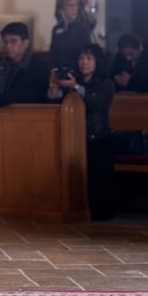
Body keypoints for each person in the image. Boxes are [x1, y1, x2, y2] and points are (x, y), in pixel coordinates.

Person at [49, 43, 115, 219]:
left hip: (98, 138)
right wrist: (54, 86)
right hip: (74, 138)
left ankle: (100, 214)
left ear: (97, 62)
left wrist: (76, 87)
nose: (83, 62)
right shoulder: (71, 81)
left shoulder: (106, 83)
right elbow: (57, 104)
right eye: (81, 58)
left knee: (97, 182)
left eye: (89, 58)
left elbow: (96, 104)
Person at [0, 22, 49, 109]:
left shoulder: (39, 66)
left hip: (30, 117)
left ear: (26, 43)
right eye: (5, 42)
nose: (8, 46)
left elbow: (27, 97)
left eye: (13, 41)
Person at [49, 0, 92, 71]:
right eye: (70, 5)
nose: (74, 8)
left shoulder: (83, 28)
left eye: (76, 5)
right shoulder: (56, 29)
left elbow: (85, 55)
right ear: (62, 9)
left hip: (76, 74)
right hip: (58, 73)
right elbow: (52, 55)